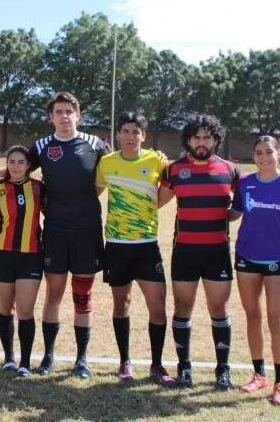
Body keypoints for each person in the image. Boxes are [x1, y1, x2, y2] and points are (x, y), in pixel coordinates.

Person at [29, 91, 108, 378]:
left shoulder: (95, 144)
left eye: (69, 111)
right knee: (54, 294)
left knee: (83, 296)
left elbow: (113, 172)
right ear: (51, 117)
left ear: (78, 115)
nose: (64, 116)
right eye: (58, 112)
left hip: (87, 230)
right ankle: (48, 356)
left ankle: (81, 359)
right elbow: (17, 168)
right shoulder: (41, 146)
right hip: (55, 231)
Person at [159, 114, 239, 390]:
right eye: (196, 137)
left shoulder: (230, 170)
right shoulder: (173, 170)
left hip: (217, 251)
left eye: (207, 137)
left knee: (219, 308)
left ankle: (223, 370)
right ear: (188, 140)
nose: (202, 142)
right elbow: (155, 202)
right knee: (183, 307)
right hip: (185, 251)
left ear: (216, 140)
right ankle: (184, 368)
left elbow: (241, 206)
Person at [95, 112, 175, 386]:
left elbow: (170, 189)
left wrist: (149, 208)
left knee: (158, 308)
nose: (130, 136)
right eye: (126, 131)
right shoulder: (106, 162)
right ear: (118, 134)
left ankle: (157, 365)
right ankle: (124, 361)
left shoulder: (157, 160)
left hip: (147, 245)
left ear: (144, 135)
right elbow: (93, 193)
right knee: (122, 304)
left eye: (135, 132)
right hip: (116, 246)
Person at [229, 135, 280, 406]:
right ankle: (259, 374)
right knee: (252, 315)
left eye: (269, 152)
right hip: (247, 257)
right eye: (259, 153)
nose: (264, 157)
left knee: (276, 319)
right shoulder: (245, 183)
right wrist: (207, 205)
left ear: (279, 154)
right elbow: (234, 213)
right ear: (253, 156)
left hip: (278, 260)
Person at [0, 146, 45, 377]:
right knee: (5, 308)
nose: (15, 166)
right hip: (1, 254)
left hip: (30, 255)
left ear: (29, 165)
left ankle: (25, 362)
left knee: (25, 309)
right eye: (11, 162)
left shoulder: (39, 188)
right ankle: (9, 358)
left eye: (21, 162)